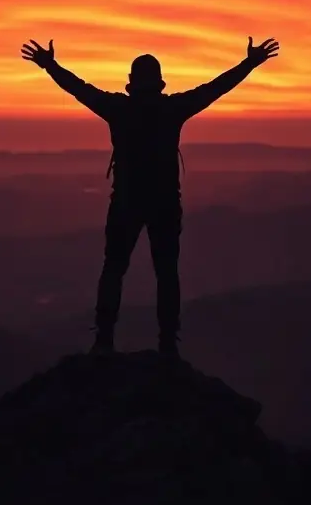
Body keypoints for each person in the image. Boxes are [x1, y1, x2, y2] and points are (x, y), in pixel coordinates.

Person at [21, 36, 280, 357]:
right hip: (165, 204)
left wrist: (50, 66)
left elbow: (79, 88)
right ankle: (168, 344)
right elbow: (216, 88)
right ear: (159, 82)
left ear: (131, 82)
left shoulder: (117, 108)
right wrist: (250, 63)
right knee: (166, 272)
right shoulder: (172, 108)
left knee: (114, 268)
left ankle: (104, 341)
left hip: (126, 202)